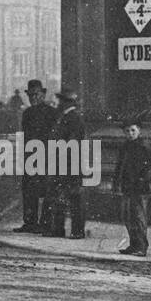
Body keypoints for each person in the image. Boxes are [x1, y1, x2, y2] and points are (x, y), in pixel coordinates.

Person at [112, 120, 151, 257]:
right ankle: (133, 245)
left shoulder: (144, 147)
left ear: (139, 131)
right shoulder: (125, 147)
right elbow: (120, 166)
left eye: (133, 130)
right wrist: (117, 182)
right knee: (128, 217)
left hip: (139, 188)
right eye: (127, 131)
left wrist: (144, 180)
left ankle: (141, 247)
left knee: (138, 217)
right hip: (128, 186)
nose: (130, 133)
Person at [14, 79, 56, 233]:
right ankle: (29, 223)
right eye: (30, 95)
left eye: (36, 94)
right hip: (30, 157)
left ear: (43, 94)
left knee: (47, 191)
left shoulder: (52, 113)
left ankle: (45, 224)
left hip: (46, 157)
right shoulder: (27, 113)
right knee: (29, 191)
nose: (33, 98)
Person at [45, 88, 87, 239]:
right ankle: (58, 229)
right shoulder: (65, 116)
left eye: (60, 100)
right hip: (62, 163)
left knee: (74, 199)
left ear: (66, 102)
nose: (57, 103)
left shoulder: (73, 118)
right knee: (59, 197)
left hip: (70, 165)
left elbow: (72, 143)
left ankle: (77, 231)